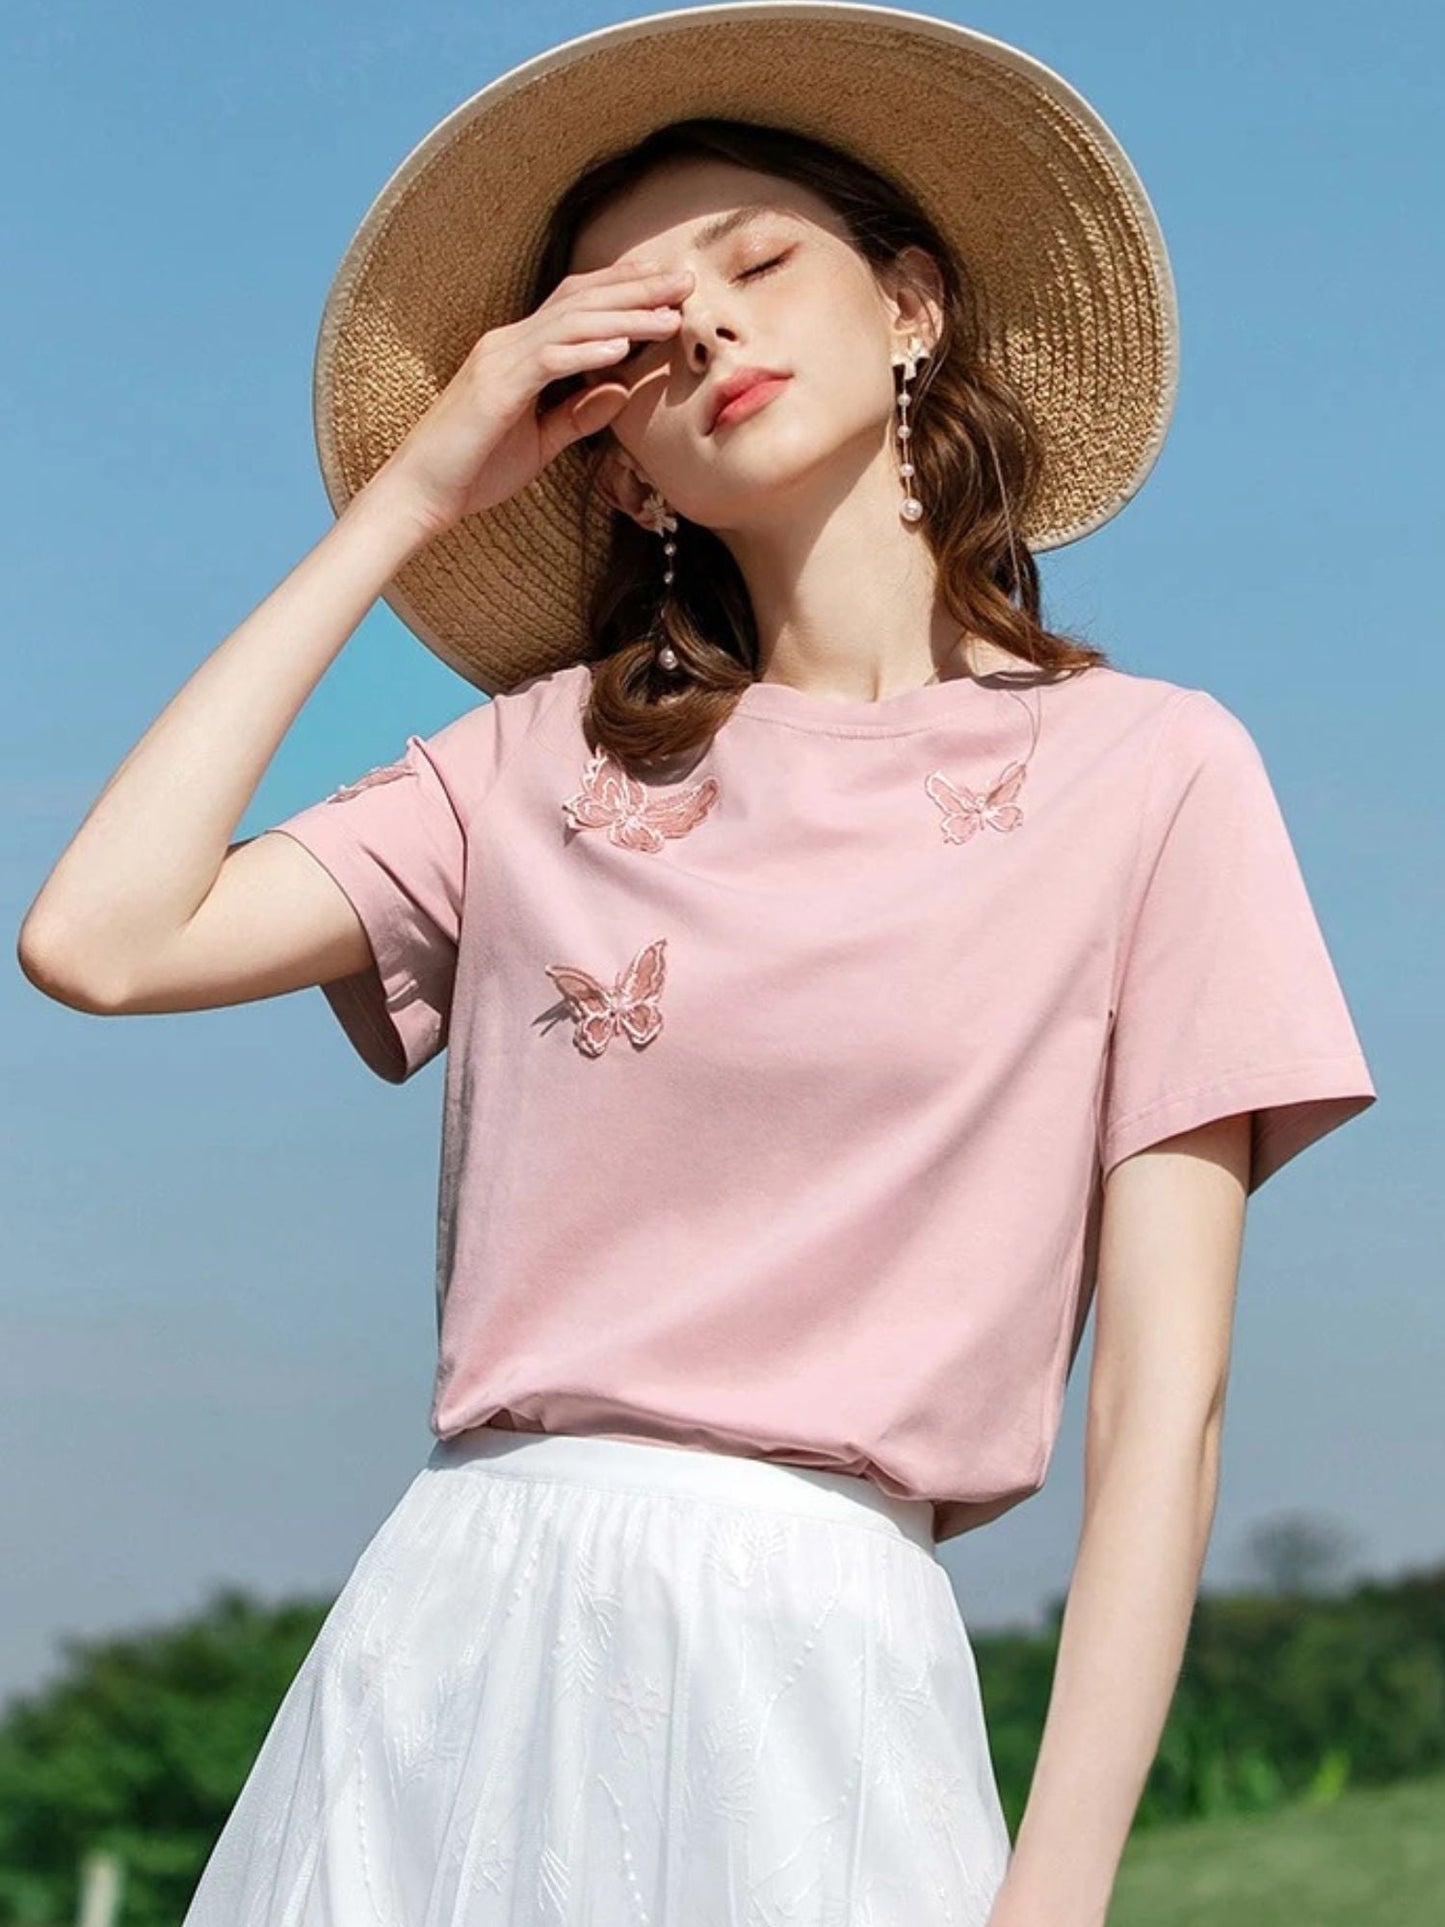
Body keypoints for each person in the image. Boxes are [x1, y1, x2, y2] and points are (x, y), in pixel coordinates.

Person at [17, 6, 1378, 1924]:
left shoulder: (1151, 775)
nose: (710, 333)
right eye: (630, 339)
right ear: (615, 461)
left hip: (820, 1670)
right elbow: (98, 938)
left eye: (755, 267)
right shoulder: (537, 765)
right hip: (460, 1637)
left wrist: (1056, 1890)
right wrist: (409, 497)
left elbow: (1167, 1403)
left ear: (910, 306)